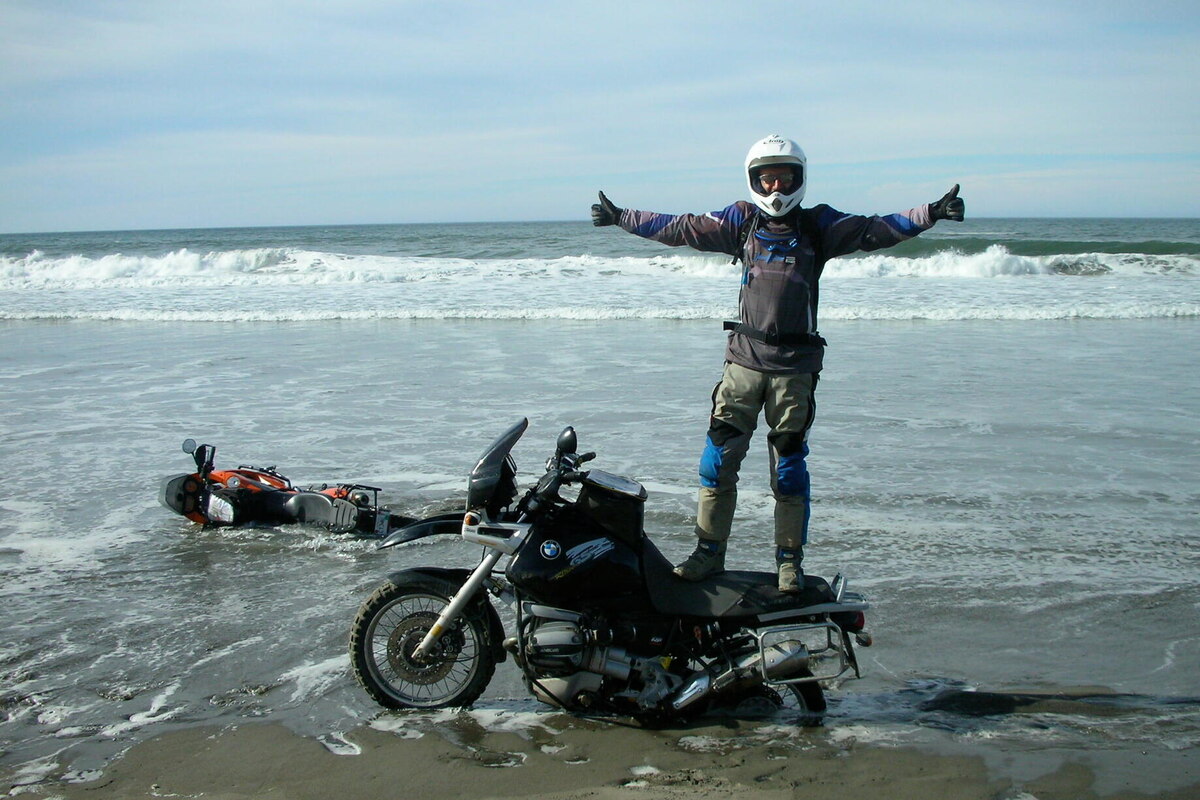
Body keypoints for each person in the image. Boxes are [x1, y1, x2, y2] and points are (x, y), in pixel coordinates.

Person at [591, 134, 964, 592]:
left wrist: (930, 213)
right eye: (766, 180)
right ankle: (708, 553)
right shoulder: (739, 222)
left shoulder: (819, 226)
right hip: (743, 365)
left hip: (795, 371)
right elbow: (679, 227)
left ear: (799, 179)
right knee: (716, 465)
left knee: (788, 470)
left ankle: (790, 563)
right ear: (754, 181)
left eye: (783, 179)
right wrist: (620, 218)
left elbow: (876, 229)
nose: (775, 190)